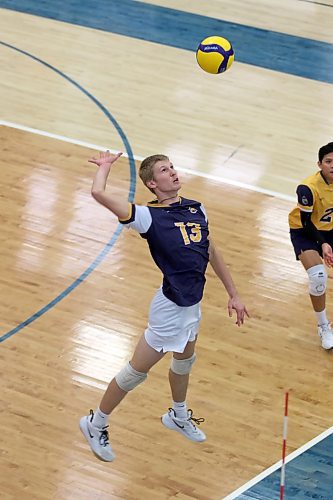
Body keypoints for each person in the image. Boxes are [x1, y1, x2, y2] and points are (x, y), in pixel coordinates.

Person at [80, 150, 249, 462]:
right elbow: (98, 193)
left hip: (191, 304)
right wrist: (104, 167)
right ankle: (95, 422)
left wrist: (233, 293)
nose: (172, 172)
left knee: (185, 362)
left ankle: (177, 415)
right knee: (135, 373)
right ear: (151, 183)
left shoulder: (198, 208)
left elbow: (211, 249)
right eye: (163, 170)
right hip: (170, 309)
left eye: (172, 167)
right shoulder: (147, 217)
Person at [289, 142, 333, 350]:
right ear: (319, 164)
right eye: (328, 161)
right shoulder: (308, 188)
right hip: (305, 231)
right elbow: (307, 222)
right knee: (318, 276)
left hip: (330, 228)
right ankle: (323, 326)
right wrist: (323, 244)